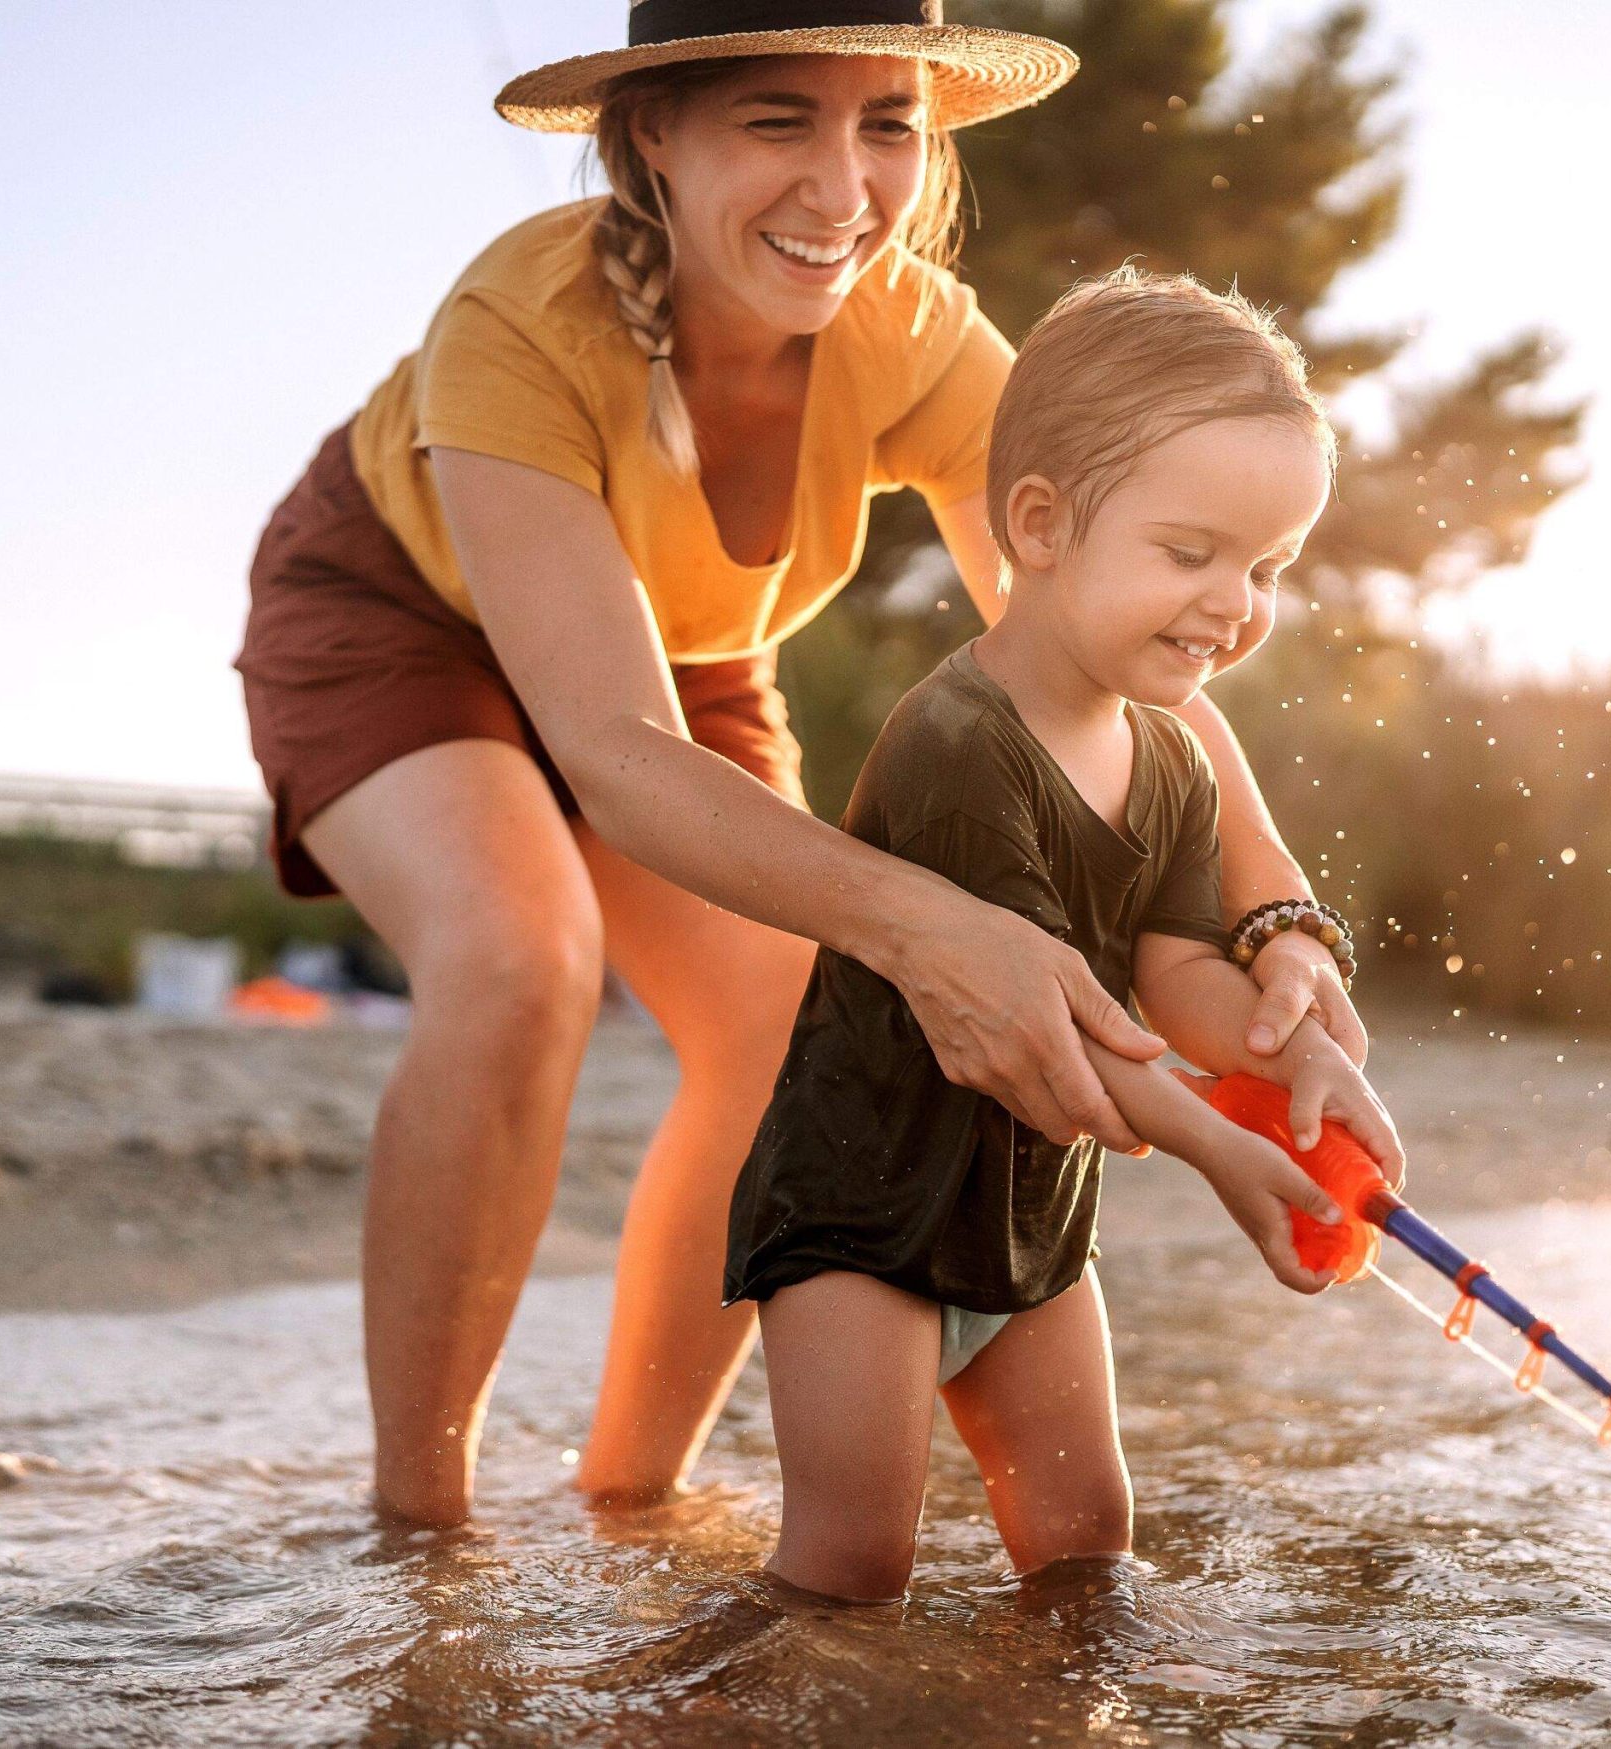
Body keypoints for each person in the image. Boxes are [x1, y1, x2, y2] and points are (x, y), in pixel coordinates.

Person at [235, 1, 1366, 1527]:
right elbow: (614, 758)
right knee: (520, 956)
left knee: (787, 1023)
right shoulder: (516, 323)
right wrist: (927, 921)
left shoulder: (919, 336)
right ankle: (419, 1530)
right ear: (651, 136)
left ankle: (630, 1496)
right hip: (399, 609)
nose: (844, 190)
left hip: (686, 657)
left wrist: (1278, 916)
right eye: (779, 121)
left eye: (886, 125)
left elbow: (1111, 646)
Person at [725, 269, 1407, 1601]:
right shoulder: (958, 744)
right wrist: (1222, 1145)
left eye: (1266, 567)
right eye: (1192, 552)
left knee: (1087, 1545)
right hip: (867, 1209)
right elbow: (1068, 1033)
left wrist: (1292, 1061)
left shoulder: (1170, 761)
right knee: (855, 1564)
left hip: (1029, 1213)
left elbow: (1174, 976)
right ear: (1037, 524)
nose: (1237, 602)